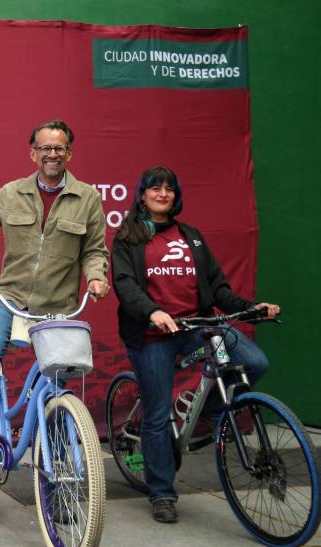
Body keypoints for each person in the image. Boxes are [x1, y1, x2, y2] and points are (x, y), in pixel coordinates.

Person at [0, 120, 109, 466]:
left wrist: (97, 277)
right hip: (10, 299)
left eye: (58, 148)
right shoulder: (13, 193)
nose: (51, 154)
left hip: (58, 307)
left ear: (69, 153)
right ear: (33, 154)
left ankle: (57, 468)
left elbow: (95, 251)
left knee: (58, 381)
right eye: (45, 148)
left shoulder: (87, 198)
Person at [112, 166, 280, 524]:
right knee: (157, 415)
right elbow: (125, 286)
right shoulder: (128, 237)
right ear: (142, 195)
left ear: (176, 195)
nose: (162, 193)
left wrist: (251, 309)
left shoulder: (192, 236)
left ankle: (210, 408)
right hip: (153, 335)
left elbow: (218, 289)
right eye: (154, 188)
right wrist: (153, 312)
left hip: (197, 328)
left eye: (169, 188)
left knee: (254, 361)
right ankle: (162, 493)